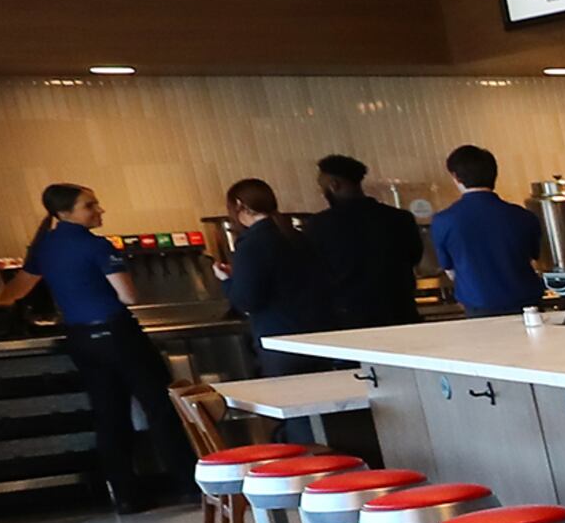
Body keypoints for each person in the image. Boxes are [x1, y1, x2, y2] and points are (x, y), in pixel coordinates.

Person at [0, 183, 184, 512]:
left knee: (108, 414)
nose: (99, 210)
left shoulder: (44, 247)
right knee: (159, 407)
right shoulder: (97, 246)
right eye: (90, 206)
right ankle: (188, 484)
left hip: (80, 339)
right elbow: (128, 297)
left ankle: (125, 495)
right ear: (64, 213)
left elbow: (18, 289)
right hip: (117, 333)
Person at [214, 177, 328, 373]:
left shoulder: (251, 244)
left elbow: (247, 301)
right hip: (317, 337)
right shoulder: (296, 236)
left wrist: (227, 281)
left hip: (279, 342)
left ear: (240, 205)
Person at [309, 154, 427, 328]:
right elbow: (414, 257)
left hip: (351, 318)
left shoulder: (319, 225)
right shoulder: (400, 218)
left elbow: (316, 271)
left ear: (334, 185)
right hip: (401, 312)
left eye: (322, 187)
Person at [428, 144, 543, 314]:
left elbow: (451, 271)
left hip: (479, 307)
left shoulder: (443, 220)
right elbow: (533, 259)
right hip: (527, 306)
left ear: (455, 177)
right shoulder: (523, 216)